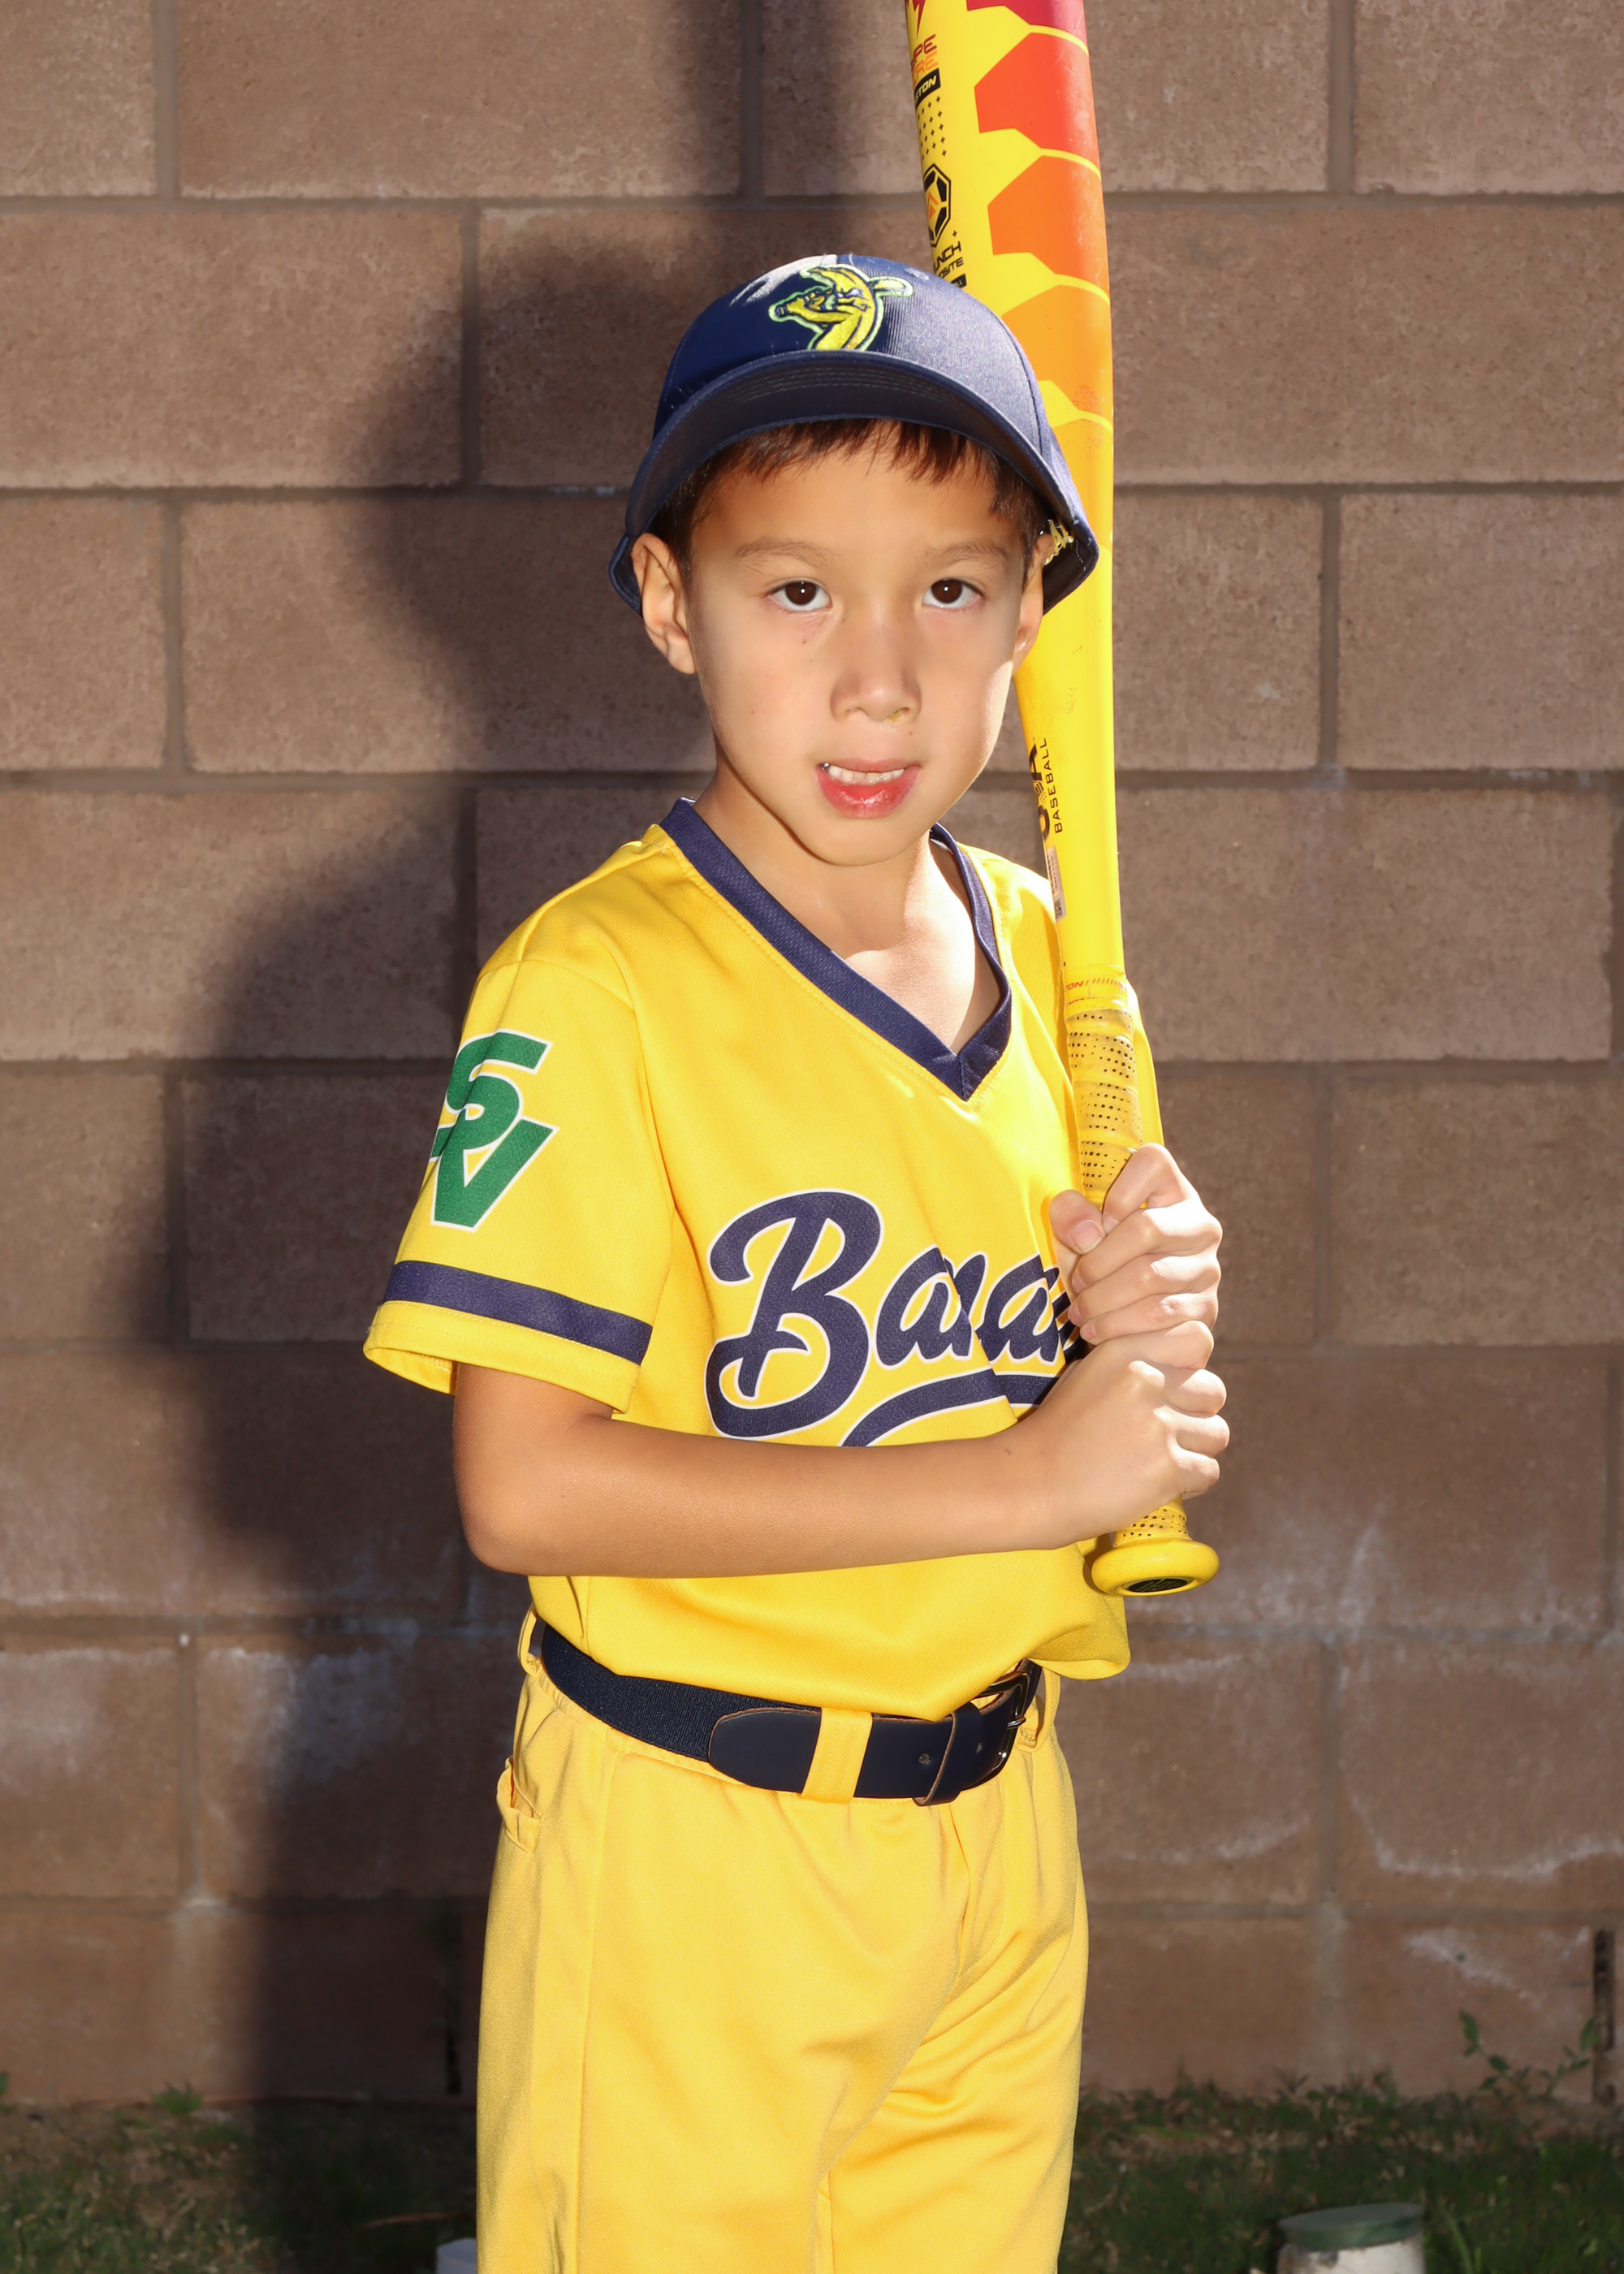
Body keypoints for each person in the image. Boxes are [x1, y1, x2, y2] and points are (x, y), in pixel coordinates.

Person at [365, 252, 1226, 2274]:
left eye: (951, 588)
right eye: (796, 591)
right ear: (673, 604)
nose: (879, 678)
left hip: (995, 1822)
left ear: (1034, 609)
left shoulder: (1052, 954)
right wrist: (1025, 1476)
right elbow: (523, 1485)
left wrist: (1143, 1321)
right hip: (697, 1846)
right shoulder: (597, 984)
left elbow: (1075, 1409)